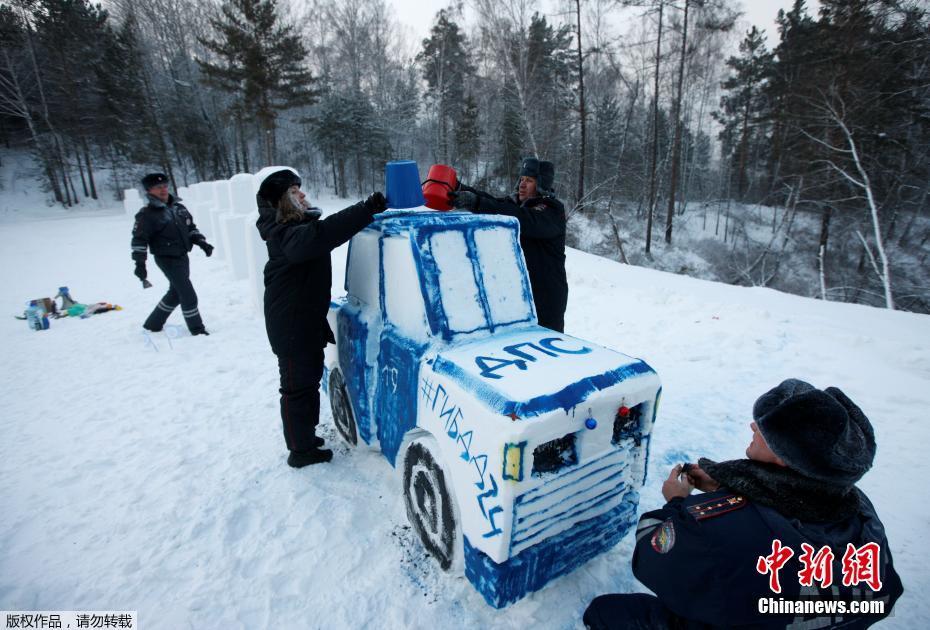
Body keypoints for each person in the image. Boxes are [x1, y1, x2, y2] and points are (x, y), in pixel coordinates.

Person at [584, 379, 903, 629]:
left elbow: (651, 556)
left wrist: (677, 504)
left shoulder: (722, 528)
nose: (753, 427)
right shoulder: (858, 508)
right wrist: (729, 486)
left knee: (607, 613)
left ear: (784, 456)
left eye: (765, 428)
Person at [256, 169, 387, 468]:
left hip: (303, 321)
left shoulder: (293, 227)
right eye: (294, 192)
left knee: (309, 383)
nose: (302, 194)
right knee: (297, 389)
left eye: (301, 190)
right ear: (281, 201)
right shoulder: (284, 233)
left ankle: (305, 437)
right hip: (291, 326)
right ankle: (300, 451)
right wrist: (365, 209)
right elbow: (322, 235)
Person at [449, 157, 568, 332]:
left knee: (546, 349)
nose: (522, 184)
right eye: (521, 179)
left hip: (546, 296)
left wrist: (478, 203)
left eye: (529, 180)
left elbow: (523, 219)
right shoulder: (514, 205)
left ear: (541, 184)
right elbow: (495, 202)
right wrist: (460, 189)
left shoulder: (552, 210)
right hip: (520, 293)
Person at [131, 172, 213, 335]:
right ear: (149, 191)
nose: (163, 190)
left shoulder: (179, 208)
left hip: (182, 256)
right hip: (166, 258)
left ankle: (153, 323)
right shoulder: (146, 215)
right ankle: (197, 330)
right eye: (158, 187)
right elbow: (139, 241)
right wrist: (140, 264)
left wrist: (201, 242)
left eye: (165, 186)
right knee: (188, 294)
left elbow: (191, 228)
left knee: (175, 293)